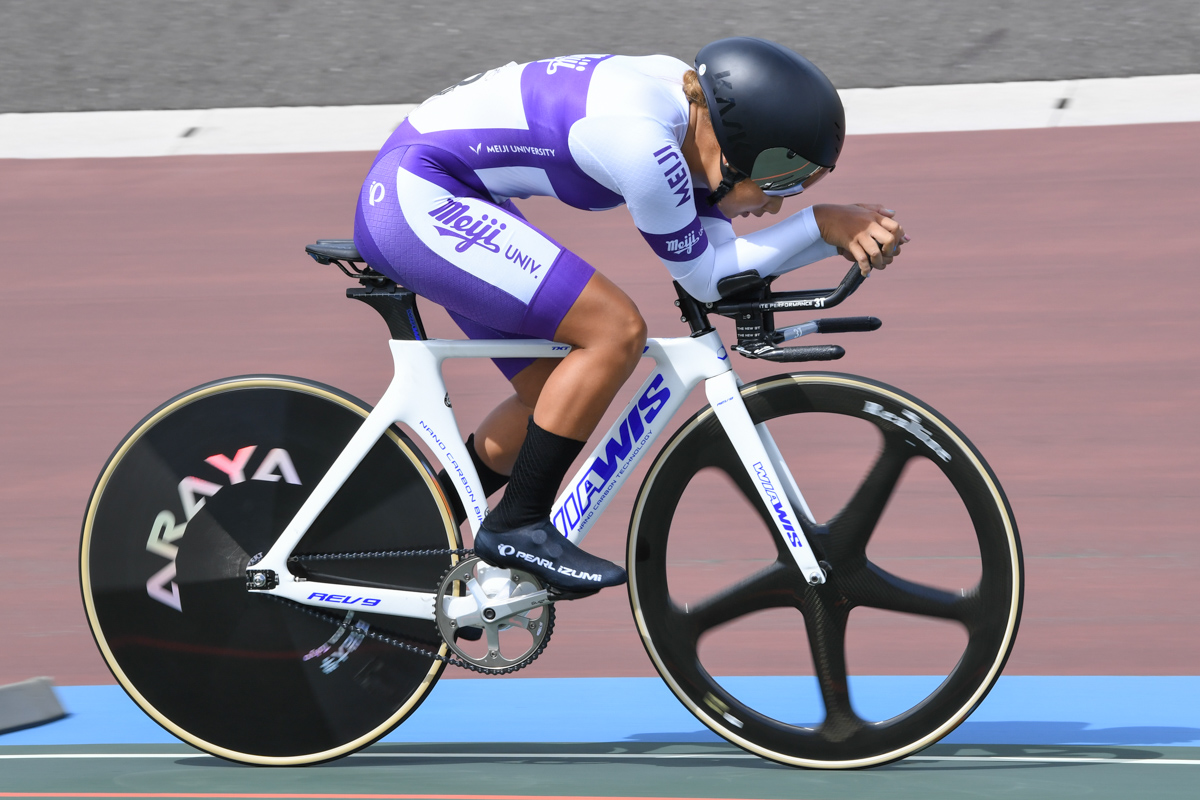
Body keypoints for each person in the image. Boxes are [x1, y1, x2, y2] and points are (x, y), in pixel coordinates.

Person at [353, 37, 906, 596]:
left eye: (797, 188)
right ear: (739, 149)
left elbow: (721, 257)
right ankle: (517, 524)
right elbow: (706, 277)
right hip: (415, 195)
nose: (777, 202)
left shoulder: (689, 114)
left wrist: (825, 231)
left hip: (445, 188)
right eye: (783, 180)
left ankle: (410, 539)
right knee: (613, 330)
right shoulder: (646, 146)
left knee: (552, 396)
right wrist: (822, 225)